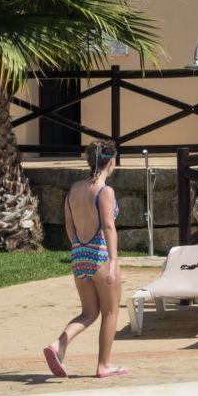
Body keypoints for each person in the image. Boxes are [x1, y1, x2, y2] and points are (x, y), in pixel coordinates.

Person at [44, 143, 128, 379]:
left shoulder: (74, 190)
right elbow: (109, 226)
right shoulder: (105, 191)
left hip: (79, 254)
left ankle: (58, 345)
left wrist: (79, 249)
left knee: (89, 313)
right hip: (100, 255)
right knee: (110, 312)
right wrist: (113, 261)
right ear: (110, 162)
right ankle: (104, 365)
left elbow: (69, 227)